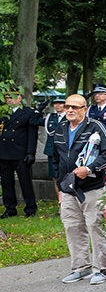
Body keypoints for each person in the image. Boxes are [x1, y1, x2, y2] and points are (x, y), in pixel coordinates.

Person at [53, 95, 106, 285]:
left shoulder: (95, 127)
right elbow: (55, 158)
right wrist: (61, 184)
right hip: (69, 189)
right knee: (72, 227)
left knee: (95, 227)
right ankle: (81, 267)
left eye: (75, 107)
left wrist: (89, 169)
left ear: (84, 109)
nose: (70, 110)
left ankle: (100, 269)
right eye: (67, 107)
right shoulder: (60, 128)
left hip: (91, 188)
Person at [0, 88, 39, 218]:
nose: (9, 100)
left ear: (19, 98)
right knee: (6, 182)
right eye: (7, 98)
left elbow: (32, 135)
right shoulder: (3, 113)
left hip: (20, 152)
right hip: (4, 152)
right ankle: (10, 208)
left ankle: (30, 207)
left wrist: (30, 152)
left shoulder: (28, 112)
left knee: (25, 181)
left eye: (11, 97)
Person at [43, 95, 67, 202]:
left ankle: (68, 202)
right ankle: (60, 203)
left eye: (61, 103)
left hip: (66, 150)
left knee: (67, 176)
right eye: (56, 103)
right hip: (52, 150)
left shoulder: (69, 117)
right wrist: (39, 109)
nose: (58, 105)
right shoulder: (50, 117)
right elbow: (33, 121)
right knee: (55, 177)